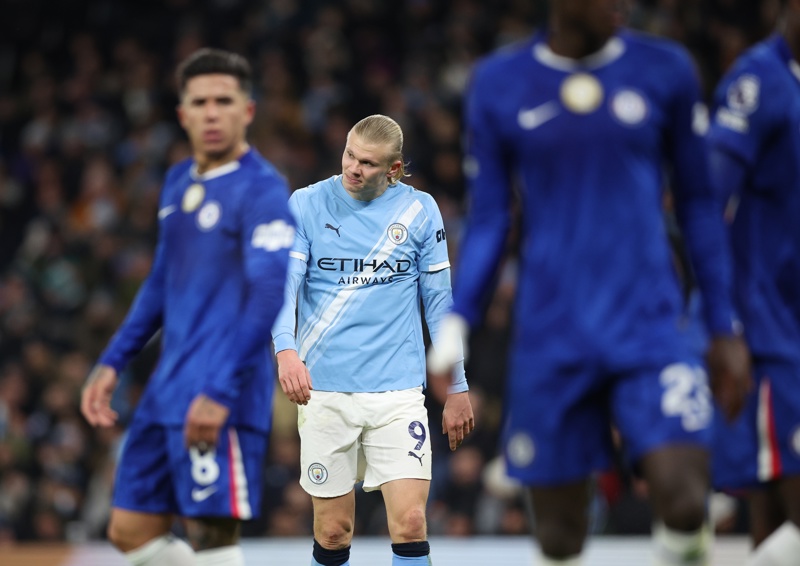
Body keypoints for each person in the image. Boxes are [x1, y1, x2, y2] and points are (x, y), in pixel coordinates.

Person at [427, 1, 751, 565]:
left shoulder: (666, 69)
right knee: (559, 537)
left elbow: (699, 203)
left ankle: (686, 550)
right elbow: (490, 218)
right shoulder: (500, 83)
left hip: (649, 324)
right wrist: (459, 320)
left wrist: (721, 323)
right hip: (552, 332)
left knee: (683, 494)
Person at [80, 48, 295, 566]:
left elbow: (269, 294)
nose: (212, 112)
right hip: (166, 389)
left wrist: (221, 390)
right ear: (183, 114)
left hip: (222, 389)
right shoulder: (178, 181)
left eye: (225, 100)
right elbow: (160, 283)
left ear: (247, 111)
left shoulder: (263, 189)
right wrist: (113, 361)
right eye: (200, 102)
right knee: (128, 530)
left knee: (213, 537)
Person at [271, 114, 474, 566]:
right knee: (333, 530)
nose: (353, 168)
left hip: (397, 393)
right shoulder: (305, 204)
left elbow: (440, 304)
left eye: (367, 162)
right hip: (324, 391)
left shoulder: (419, 211)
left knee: (411, 524)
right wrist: (286, 350)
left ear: (394, 169)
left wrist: (457, 385)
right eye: (349, 155)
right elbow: (282, 289)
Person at [707, 2, 800, 564]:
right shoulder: (758, 81)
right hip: (773, 329)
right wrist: (723, 323)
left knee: (772, 511)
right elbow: (707, 204)